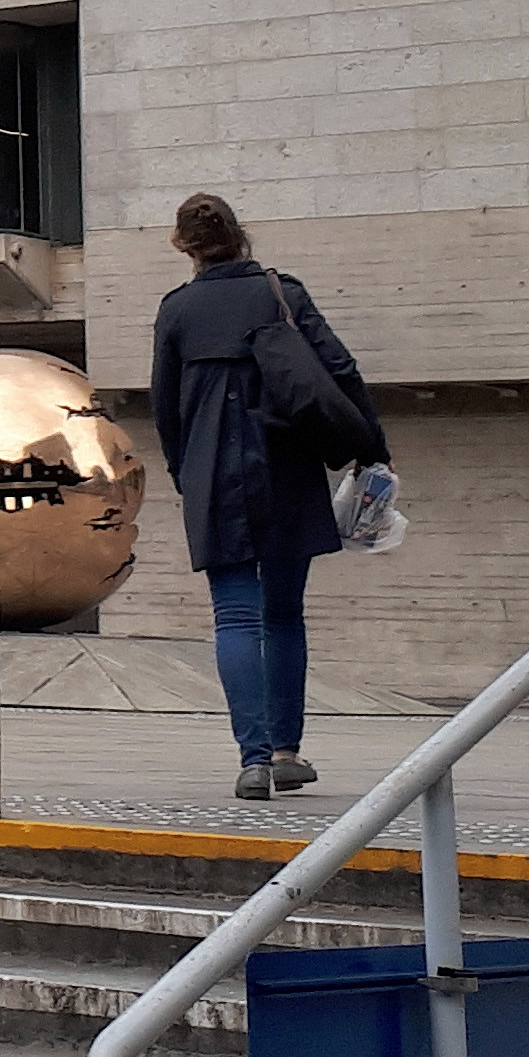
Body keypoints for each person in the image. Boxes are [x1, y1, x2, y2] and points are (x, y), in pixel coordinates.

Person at [150, 188, 386, 803]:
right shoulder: (284, 293)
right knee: (283, 613)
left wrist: (185, 474)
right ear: (240, 235)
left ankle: (251, 761)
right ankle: (286, 754)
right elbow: (341, 368)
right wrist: (371, 447)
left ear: (183, 246)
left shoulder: (177, 310)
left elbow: (166, 410)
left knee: (234, 616)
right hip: (287, 465)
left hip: (213, 473)